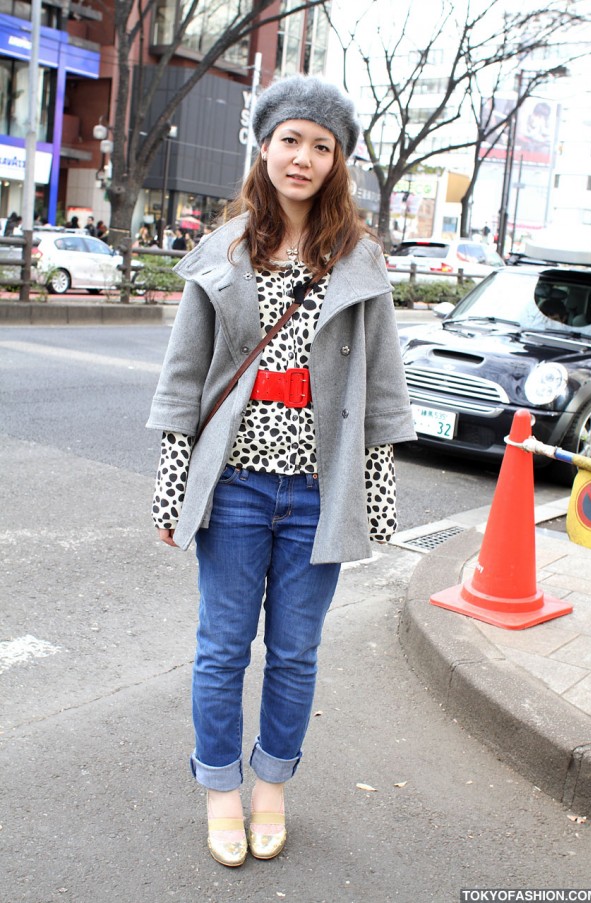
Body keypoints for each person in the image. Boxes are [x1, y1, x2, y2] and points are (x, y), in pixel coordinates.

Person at [146, 75, 415, 869]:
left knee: (296, 651)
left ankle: (272, 786)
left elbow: (385, 390)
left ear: (339, 163)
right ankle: (221, 788)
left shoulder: (358, 262)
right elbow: (182, 383)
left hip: (315, 492)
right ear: (264, 148)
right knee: (222, 648)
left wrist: (377, 492)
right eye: (290, 140)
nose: (303, 157)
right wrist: (171, 486)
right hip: (233, 488)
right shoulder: (223, 252)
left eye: (321, 146)